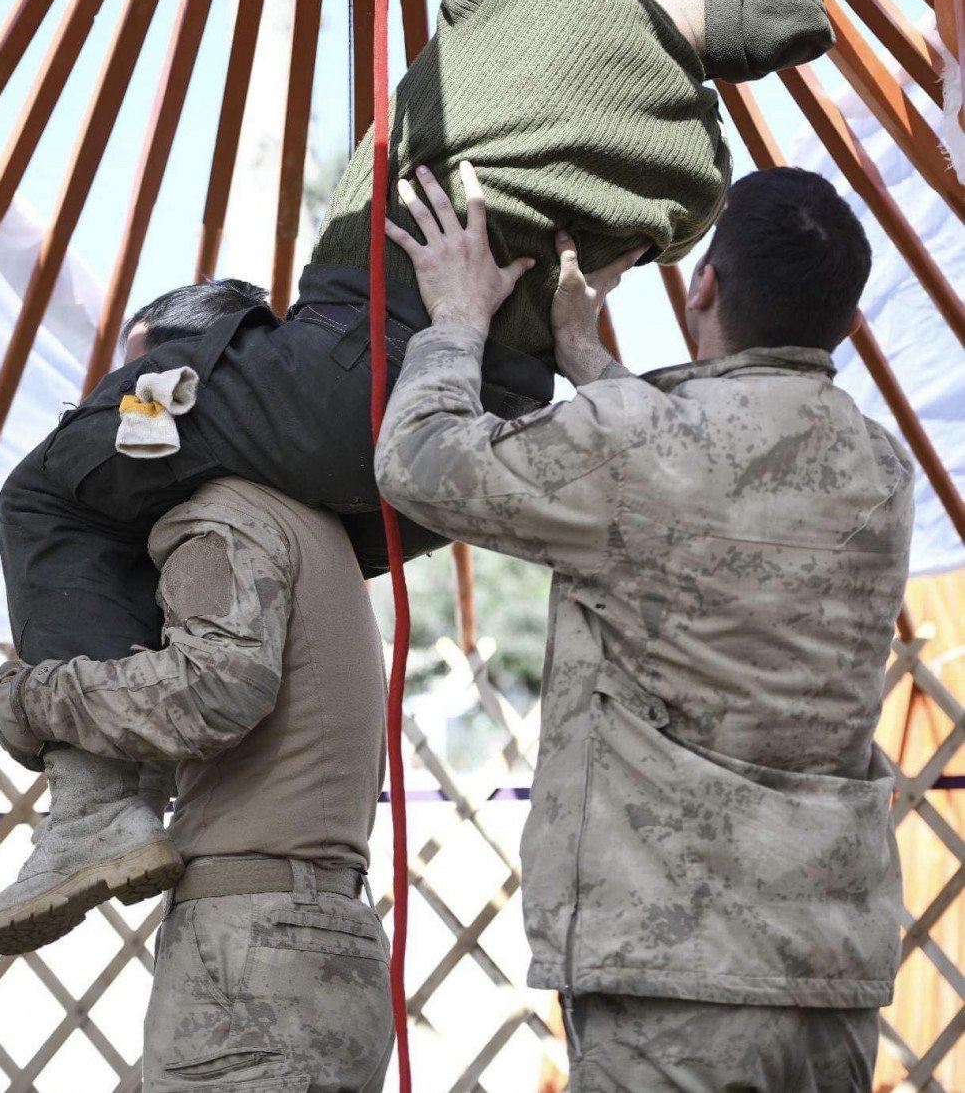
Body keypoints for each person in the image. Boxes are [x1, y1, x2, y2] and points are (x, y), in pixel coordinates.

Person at [0, 0, 833, 948]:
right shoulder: (699, 169)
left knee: (59, 488)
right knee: (207, 519)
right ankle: (167, 731)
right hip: (455, 462)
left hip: (354, 369)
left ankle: (95, 809)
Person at [374, 161, 912, 1093]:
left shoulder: (642, 445)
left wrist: (456, 320)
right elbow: (709, 476)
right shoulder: (884, 468)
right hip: (829, 966)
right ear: (850, 324)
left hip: (673, 963)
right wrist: (587, 357)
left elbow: (419, 460)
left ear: (703, 287)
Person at [0, 326, 394, 1093]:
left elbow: (214, 691)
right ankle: (101, 820)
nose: (117, 415)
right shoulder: (315, 524)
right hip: (329, 941)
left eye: (134, 386)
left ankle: (94, 823)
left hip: (253, 943)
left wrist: (32, 697)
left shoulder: (223, 513)